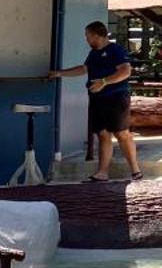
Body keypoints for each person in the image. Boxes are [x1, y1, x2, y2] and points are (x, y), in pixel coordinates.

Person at [48, 21, 140, 181]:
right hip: (97, 99)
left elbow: (126, 71)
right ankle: (102, 173)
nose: (86, 39)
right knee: (103, 134)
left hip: (116, 97)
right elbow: (84, 69)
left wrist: (104, 82)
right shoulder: (94, 53)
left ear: (97, 36)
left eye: (88, 36)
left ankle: (135, 170)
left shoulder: (115, 50)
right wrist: (59, 73)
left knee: (121, 133)